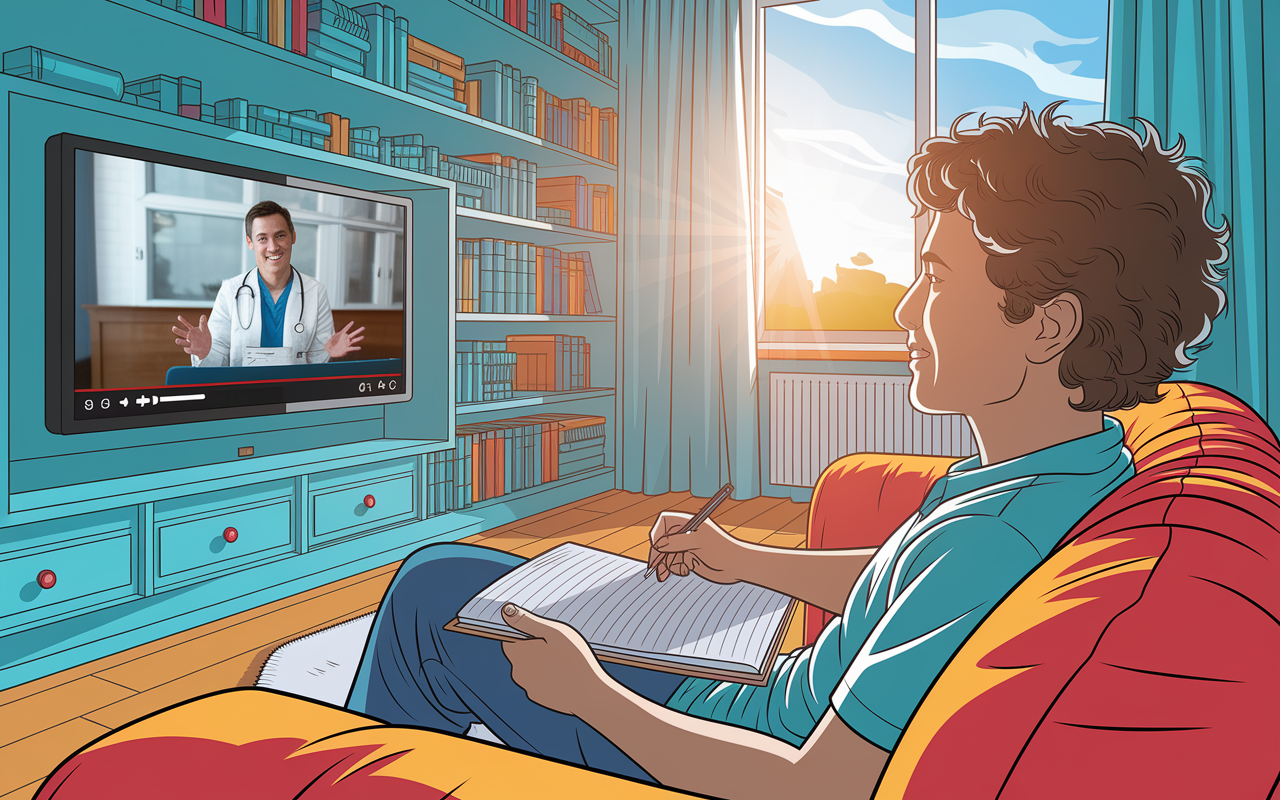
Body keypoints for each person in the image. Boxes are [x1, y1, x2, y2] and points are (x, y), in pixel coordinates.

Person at [344, 104, 1230, 799]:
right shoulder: (1069, 467)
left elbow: (819, 788)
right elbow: (901, 591)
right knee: (487, 577)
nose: (903, 308)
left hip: (715, 736)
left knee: (433, 590)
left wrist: (589, 695)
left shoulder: (991, 536)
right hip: (760, 692)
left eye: (939, 276)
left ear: (1048, 324)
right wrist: (742, 559)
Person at [172, 200, 365, 367]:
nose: (273, 247)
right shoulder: (230, 291)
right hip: (243, 395)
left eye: (280, 235)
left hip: (294, 395)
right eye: (262, 238)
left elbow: (315, 362)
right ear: (250, 242)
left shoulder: (316, 292)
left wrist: (328, 353)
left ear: (293, 237)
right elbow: (217, 362)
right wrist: (205, 352)